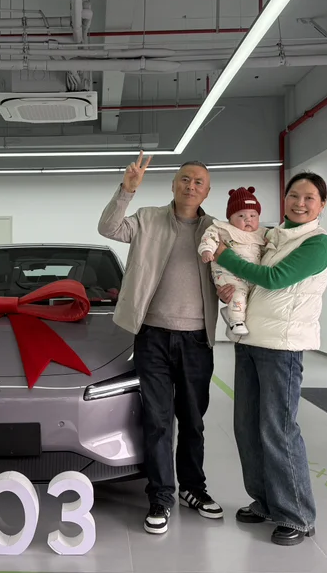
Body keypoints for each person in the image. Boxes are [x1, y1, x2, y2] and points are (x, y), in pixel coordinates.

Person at [97, 152, 223, 535]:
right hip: (152, 336)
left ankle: (193, 489)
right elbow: (108, 227)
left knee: (193, 421)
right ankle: (161, 495)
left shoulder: (215, 229)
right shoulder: (148, 218)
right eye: (185, 179)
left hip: (197, 340)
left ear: (207, 192)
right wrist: (126, 191)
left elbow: (240, 262)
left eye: (198, 182)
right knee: (157, 421)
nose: (190, 186)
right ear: (173, 185)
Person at [211, 171, 327, 547]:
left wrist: (225, 256)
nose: (300, 203)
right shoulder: (273, 236)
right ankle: (265, 501)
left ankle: (297, 515)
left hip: (282, 347)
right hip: (250, 340)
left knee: (278, 430)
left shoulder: (318, 243)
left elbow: (275, 278)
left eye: (309, 198)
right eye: (294, 195)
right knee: (247, 427)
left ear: (322, 204)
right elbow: (251, 280)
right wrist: (229, 288)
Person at [197, 186, 267, 336]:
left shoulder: (262, 233)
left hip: (252, 275)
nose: (248, 219)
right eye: (241, 216)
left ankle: (231, 312)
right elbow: (209, 237)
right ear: (230, 219)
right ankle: (236, 321)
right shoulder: (222, 229)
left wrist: (270, 242)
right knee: (237, 294)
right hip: (228, 274)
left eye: (253, 215)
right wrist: (207, 250)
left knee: (252, 299)